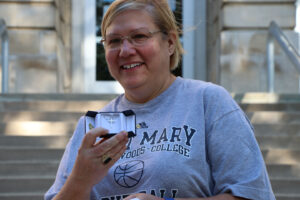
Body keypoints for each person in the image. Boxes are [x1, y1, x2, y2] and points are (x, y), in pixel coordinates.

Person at [45, 0, 275, 199]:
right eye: (114, 41)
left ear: (170, 43)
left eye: (139, 36)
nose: (125, 50)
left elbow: (253, 195)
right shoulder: (94, 125)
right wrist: (80, 180)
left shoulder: (208, 102)